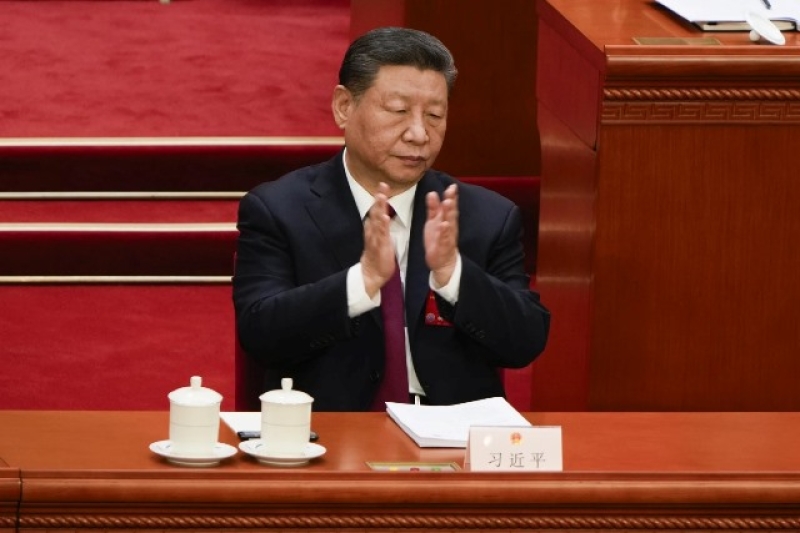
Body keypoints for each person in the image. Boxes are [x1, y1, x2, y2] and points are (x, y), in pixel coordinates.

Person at [233, 26, 550, 411]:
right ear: (344, 107)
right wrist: (361, 282)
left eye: (435, 115)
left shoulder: (485, 215)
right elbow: (260, 334)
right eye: (399, 111)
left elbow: (525, 343)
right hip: (330, 436)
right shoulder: (279, 209)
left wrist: (453, 274)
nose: (419, 133)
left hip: (450, 442)